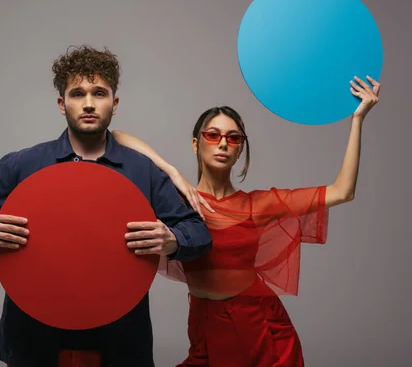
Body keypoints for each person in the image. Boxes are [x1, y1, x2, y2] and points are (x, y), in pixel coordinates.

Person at [0, 45, 212, 367]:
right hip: (34, 339)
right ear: (61, 103)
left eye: (99, 93)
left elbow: (198, 231)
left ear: (115, 103)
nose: (88, 103)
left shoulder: (143, 171)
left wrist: (174, 240)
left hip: (120, 340)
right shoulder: (26, 163)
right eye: (77, 93)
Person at [111, 75, 381, 366]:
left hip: (262, 327)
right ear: (195, 143)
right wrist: (171, 172)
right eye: (212, 135)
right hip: (206, 324)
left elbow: (343, 191)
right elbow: (114, 138)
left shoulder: (259, 204)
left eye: (233, 138)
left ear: (240, 149)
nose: (223, 144)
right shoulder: (176, 202)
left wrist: (358, 119)